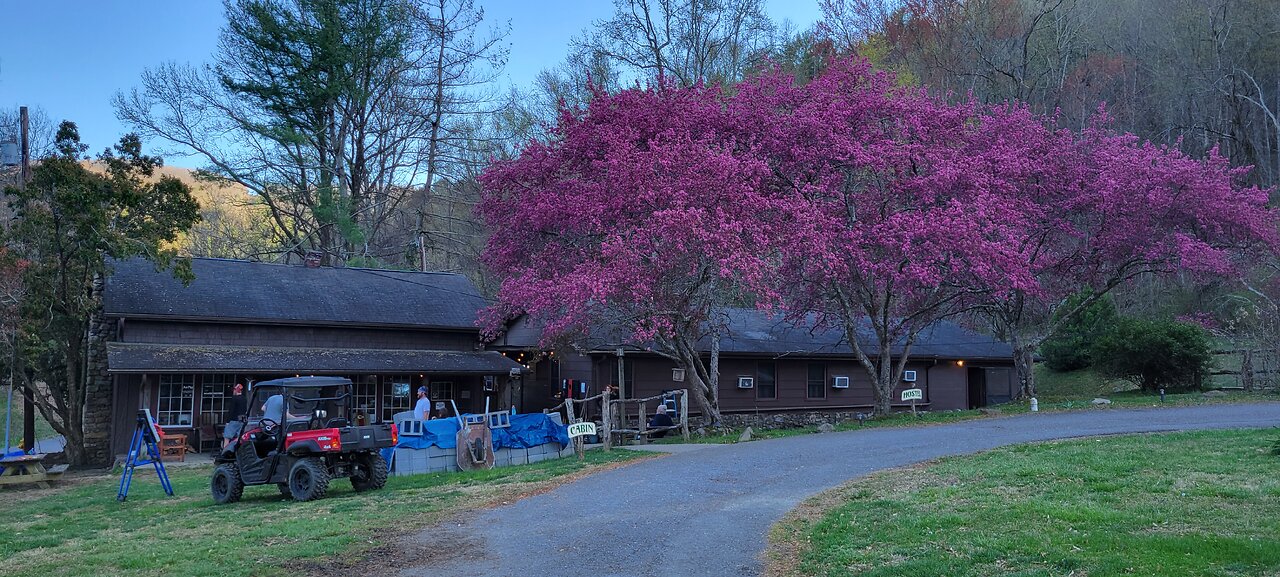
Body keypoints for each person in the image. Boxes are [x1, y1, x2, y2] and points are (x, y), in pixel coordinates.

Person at [222, 383, 248, 449]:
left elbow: (231, 410)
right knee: (239, 437)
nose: (234, 391)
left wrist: (228, 422)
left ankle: (225, 452)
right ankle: (237, 450)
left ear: (237, 390)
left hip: (233, 420)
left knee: (227, 437)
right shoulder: (244, 399)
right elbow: (245, 410)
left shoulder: (234, 398)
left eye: (235, 390)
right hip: (242, 419)